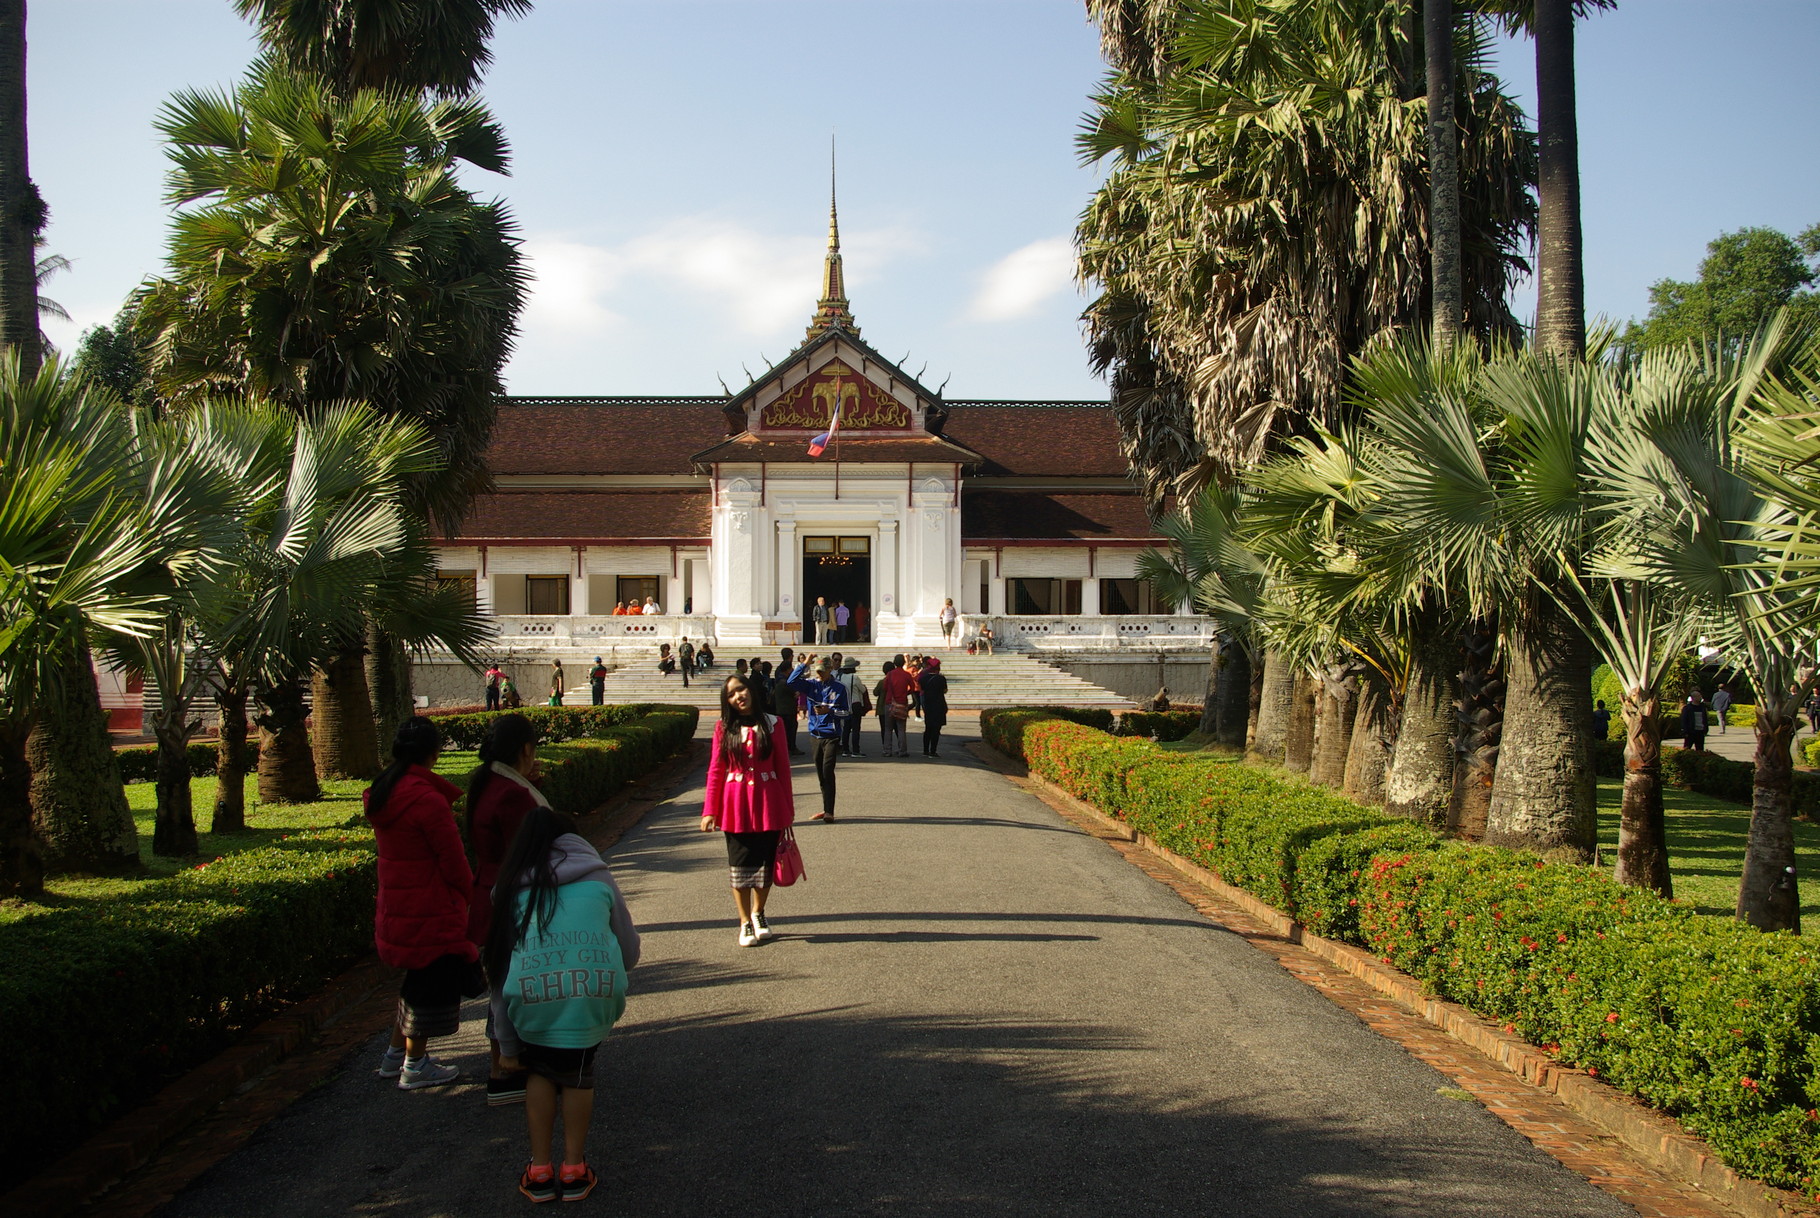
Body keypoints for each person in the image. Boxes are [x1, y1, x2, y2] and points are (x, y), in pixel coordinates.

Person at [487, 806, 640, 1204]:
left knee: (538, 1073)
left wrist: (506, 1045)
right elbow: (629, 951)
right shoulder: (599, 878)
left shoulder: (507, 889)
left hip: (530, 999)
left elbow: (499, 973)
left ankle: (539, 1169)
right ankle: (574, 1168)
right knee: (576, 1074)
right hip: (591, 994)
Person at [366, 718, 475, 1091]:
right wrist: (471, 896)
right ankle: (415, 1064)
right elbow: (452, 858)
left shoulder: (385, 790)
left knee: (414, 981)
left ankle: (395, 1056)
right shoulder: (426, 799)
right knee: (425, 987)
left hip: (399, 903)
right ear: (433, 752)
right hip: (429, 906)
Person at [465, 713, 543, 1106]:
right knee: (509, 986)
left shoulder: (488, 782)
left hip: (487, 890)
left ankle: (501, 1065)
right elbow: (525, 849)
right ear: (525, 749)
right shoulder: (512, 793)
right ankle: (504, 1067)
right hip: (509, 895)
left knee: (501, 983)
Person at [700, 674, 796, 947]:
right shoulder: (723, 727)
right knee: (740, 865)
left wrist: (787, 810)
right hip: (735, 805)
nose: (738, 696)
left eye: (741, 689)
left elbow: (783, 768)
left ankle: (759, 912)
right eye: (731, 694)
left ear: (751, 690)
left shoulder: (773, 724)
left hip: (769, 802)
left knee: (766, 865)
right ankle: (744, 921)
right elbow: (716, 771)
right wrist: (710, 810)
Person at [787, 654, 849, 821]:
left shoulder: (840, 688)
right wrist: (804, 664)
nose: (820, 674)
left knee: (828, 769)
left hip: (832, 735)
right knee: (821, 773)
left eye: (823, 671)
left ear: (830, 670)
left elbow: (847, 712)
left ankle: (830, 811)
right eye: (818, 671)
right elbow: (791, 682)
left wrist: (830, 711)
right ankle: (826, 808)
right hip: (815, 734)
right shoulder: (811, 685)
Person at [881, 658, 916, 758]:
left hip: (890, 703)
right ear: (903, 663)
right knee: (901, 729)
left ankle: (887, 750)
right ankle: (902, 750)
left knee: (888, 729)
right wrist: (905, 693)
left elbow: (884, 687)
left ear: (895, 663)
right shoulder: (906, 675)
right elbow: (913, 688)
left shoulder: (890, 674)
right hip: (902, 703)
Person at [918, 656, 950, 757]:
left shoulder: (923, 678)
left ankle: (925, 750)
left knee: (928, 728)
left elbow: (921, 688)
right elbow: (945, 690)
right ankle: (933, 750)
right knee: (936, 729)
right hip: (939, 704)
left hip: (928, 705)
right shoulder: (941, 678)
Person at [775, 646, 802, 755]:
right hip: (787, 708)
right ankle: (790, 747)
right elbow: (791, 689)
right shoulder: (784, 679)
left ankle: (789, 747)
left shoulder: (779, 671)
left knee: (787, 729)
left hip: (784, 707)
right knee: (789, 729)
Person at [838, 659, 868, 756]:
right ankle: (856, 750)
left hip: (845, 704)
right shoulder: (854, 678)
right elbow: (863, 690)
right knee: (855, 728)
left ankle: (845, 749)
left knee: (846, 728)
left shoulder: (840, 677)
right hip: (855, 704)